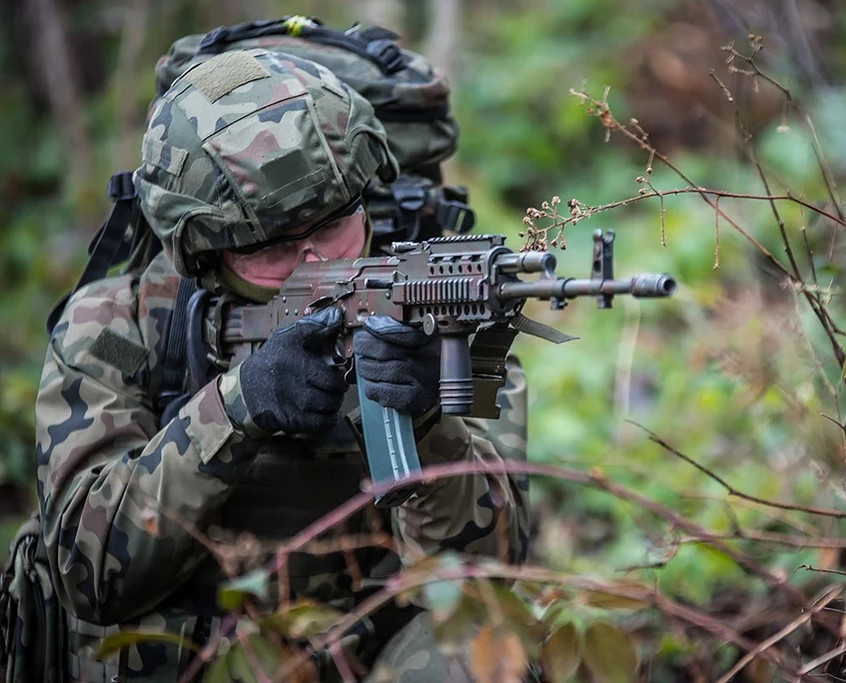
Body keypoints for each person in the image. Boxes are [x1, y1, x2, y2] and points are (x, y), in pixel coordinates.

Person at [35, 49, 530, 682]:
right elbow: (91, 575)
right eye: (273, 248)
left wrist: (431, 424)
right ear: (204, 254)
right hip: (205, 653)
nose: (316, 264)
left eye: (332, 226)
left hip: (373, 645)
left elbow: (494, 574)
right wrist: (237, 408)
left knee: (480, 658)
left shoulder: (437, 305)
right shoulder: (120, 327)